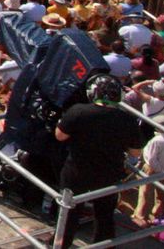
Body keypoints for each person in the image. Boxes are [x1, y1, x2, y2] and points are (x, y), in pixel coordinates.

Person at [55, 74, 144, 245]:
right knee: (105, 215)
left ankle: (60, 244)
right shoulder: (127, 119)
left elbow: (60, 136)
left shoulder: (78, 111)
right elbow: (135, 152)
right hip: (108, 173)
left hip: (77, 170)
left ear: (93, 93)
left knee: (69, 212)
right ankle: (104, 246)